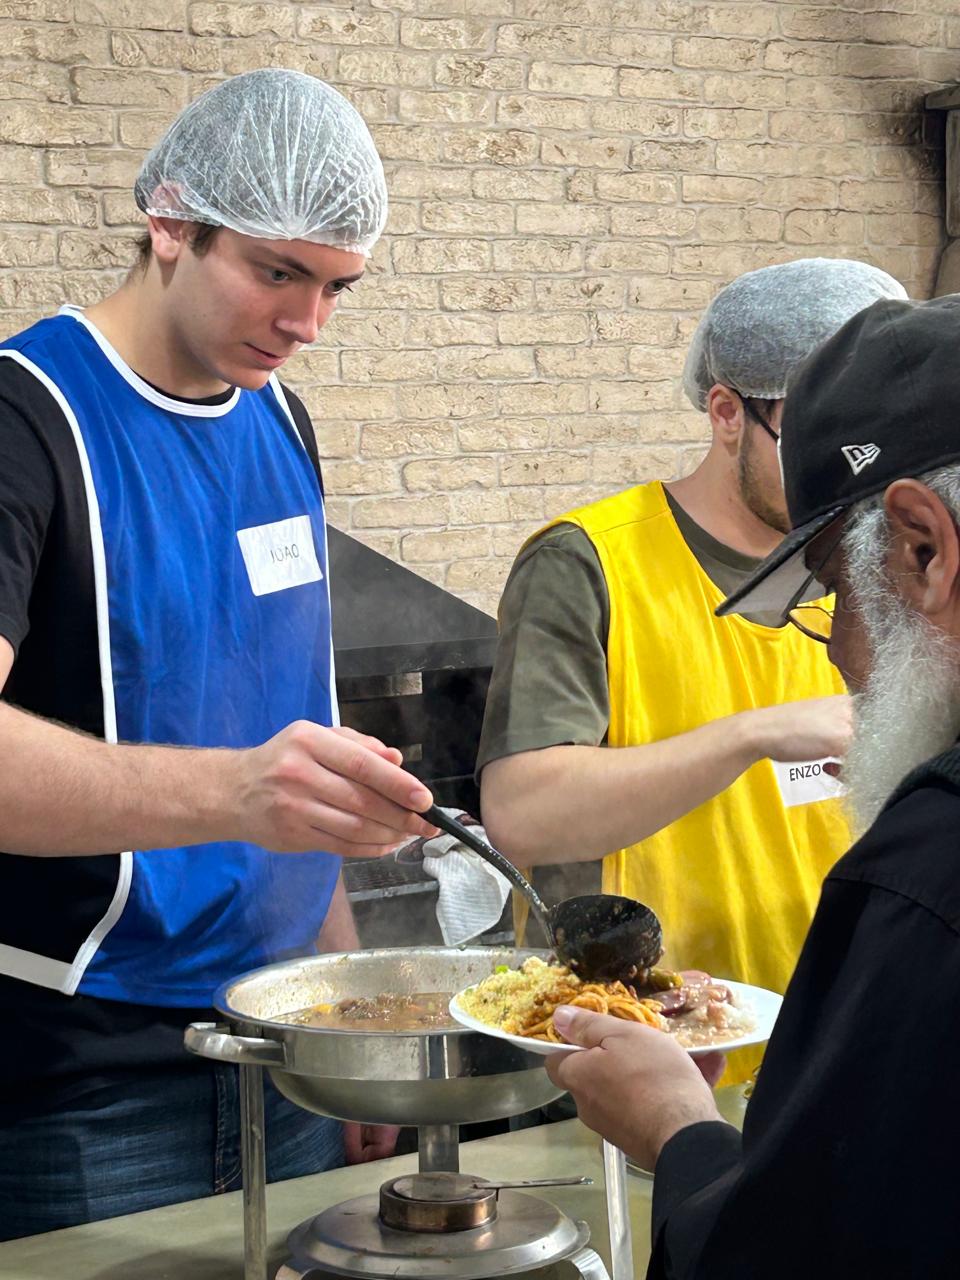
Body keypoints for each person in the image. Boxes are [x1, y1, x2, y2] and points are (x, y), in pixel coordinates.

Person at [0, 69, 439, 1240]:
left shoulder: (283, 423)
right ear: (170, 224)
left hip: (285, 1036)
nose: (307, 323)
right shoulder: (28, 420)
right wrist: (241, 787)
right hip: (83, 1076)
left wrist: (348, 998)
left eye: (338, 286)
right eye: (278, 269)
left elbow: (299, 716)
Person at [547, 293, 960, 1278]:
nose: (846, 659)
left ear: (922, 547)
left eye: (832, 596)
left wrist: (679, 1128)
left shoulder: (932, 866)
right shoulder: (587, 556)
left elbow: (801, 1254)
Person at [478, 257, 906, 1083]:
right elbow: (524, 816)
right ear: (725, 413)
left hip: (830, 1047)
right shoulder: (589, 562)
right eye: (813, 433)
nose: (846, 470)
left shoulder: (884, 564)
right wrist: (751, 734)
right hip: (627, 1047)